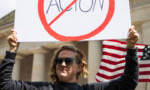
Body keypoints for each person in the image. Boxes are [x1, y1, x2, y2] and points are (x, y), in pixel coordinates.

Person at [0, 26, 139, 90]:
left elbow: (128, 83)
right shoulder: (42, 88)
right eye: (59, 61)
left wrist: (131, 48)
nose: (63, 64)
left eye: (69, 60)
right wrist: (12, 51)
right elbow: (4, 85)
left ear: (80, 66)